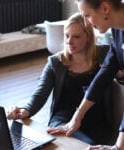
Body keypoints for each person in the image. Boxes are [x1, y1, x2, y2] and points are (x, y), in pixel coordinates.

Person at [7, 13, 111, 144]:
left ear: (89, 37)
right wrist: (24, 110)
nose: (69, 41)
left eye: (76, 37)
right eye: (67, 36)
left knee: (90, 145)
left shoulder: (105, 54)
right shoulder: (56, 62)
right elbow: (40, 94)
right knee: (81, 145)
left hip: (97, 122)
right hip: (63, 120)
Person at [48, 0, 124, 149]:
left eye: (87, 15)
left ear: (105, 8)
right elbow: (104, 74)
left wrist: (118, 146)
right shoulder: (118, 30)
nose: (87, 24)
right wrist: (77, 117)